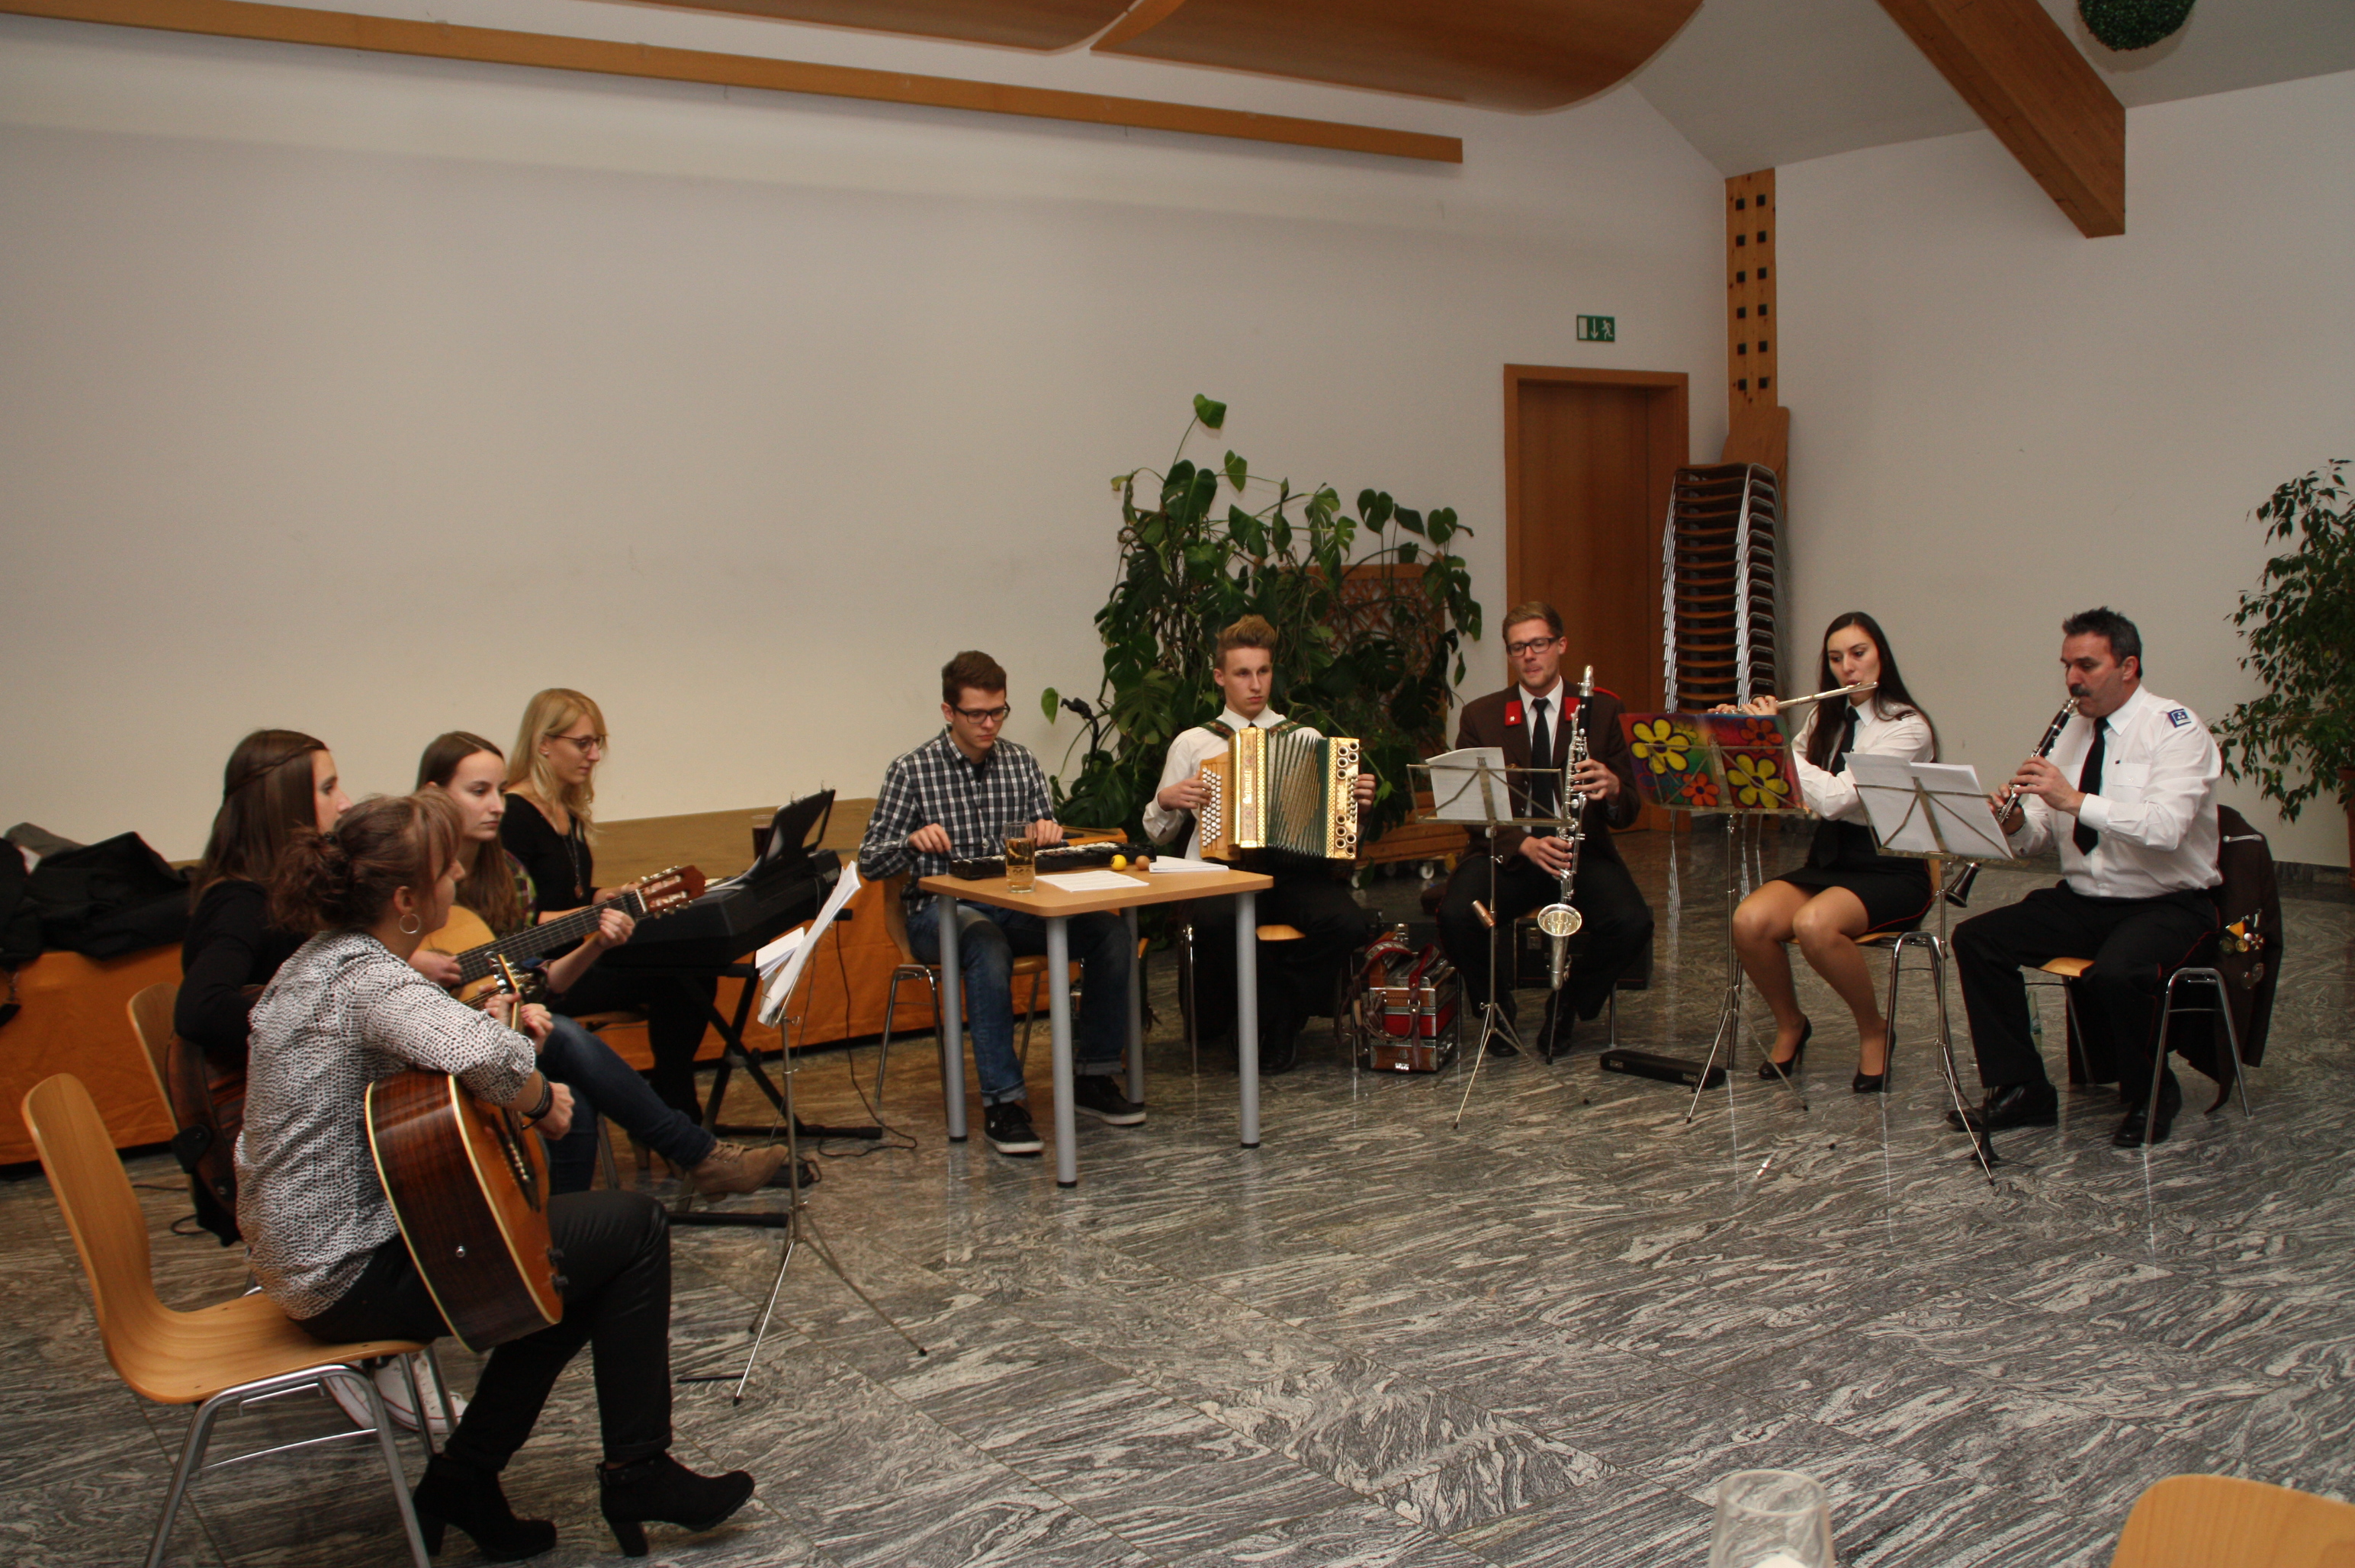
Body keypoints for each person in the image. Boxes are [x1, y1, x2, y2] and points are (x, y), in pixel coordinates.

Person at [239, 791, 755, 1559]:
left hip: (300, 1258)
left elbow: (440, 1049)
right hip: (347, 1273)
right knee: (635, 1228)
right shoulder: (369, 979)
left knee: (568, 1266)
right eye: (446, 870)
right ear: (407, 900)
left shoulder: (318, 959)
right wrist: (545, 1098)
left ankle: (470, 1479)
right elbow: (490, 1058)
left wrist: (501, 1027)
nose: (458, 878)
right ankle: (634, 1469)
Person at [416, 732, 790, 1197]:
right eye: (479, 792)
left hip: (497, 1022)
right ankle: (698, 1153)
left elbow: (533, 978)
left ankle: (569, 1222)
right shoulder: (399, 870)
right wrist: (412, 962)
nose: (497, 806)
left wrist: (595, 944)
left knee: (573, 1089)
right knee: (564, 1036)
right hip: (425, 1043)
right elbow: (354, 956)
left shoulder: (506, 873)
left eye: (499, 790)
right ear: (434, 794)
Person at [1950, 608, 2222, 1148]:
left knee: (2119, 972)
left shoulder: (2176, 729)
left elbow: (2166, 828)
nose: (2073, 679)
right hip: (2086, 898)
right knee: (1978, 940)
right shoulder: (2072, 732)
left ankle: (2152, 1092)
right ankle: (2024, 1088)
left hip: (2168, 903)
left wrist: (2073, 799)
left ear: (2128, 667)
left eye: (2087, 665)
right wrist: (2014, 823)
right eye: (2067, 666)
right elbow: (2041, 835)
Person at [858, 650, 1142, 1157]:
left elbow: (1046, 841)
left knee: (1109, 933)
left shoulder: (1020, 762)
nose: (989, 724)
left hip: (1016, 906)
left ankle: (1094, 1077)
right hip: (935, 915)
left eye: (998, 712)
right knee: (985, 944)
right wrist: (910, 842)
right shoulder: (911, 770)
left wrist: (1048, 834)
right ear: (949, 712)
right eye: (976, 715)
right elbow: (869, 861)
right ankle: (1004, 1103)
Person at [1141, 614, 1380, 1073]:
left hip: (1293, 872)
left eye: (1264, 671)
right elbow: (1158, 833)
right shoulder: (1194, 743)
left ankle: (1275, 1016)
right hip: (1222, 873)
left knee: (1348, 925)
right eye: (1243, 673)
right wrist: (1165, 800)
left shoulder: (1305, 739)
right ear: (1220, 677)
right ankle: (1276, 1020)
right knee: (1214, 922)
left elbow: (1336, 837)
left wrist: (1359, 808)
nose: (1255, 684)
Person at [1719, 612, 1938, 1093]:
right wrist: (1744, 739)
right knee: (1749, 922)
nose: (1847, 668)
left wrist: (1772, 739)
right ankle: (1792, 1023)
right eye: (1836, 659)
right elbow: (1787, 786)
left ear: (1881, 656)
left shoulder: (1907, 727)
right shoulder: (1826, 718)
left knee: (1814, 924)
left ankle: (1874, 1029)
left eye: (1858, 654)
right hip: (1832, 860)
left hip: (1892, 867)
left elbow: (1838, 799)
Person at [1434, 601, 1653, 1057]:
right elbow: (1473, 812)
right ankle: (1496, 1011)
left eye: (1539, 644)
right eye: (1518, 648)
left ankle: (1568, 1005)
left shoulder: (1603, 710)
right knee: (1456, 914)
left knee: (1632, 923)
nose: (1529, 656)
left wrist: (1613, 788)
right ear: (1509, 654)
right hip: (1510, 854)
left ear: (1561, 645)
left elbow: (1629, 808)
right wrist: (1525, 844)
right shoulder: (1482, 716)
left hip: (1580, 854)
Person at [499, 689, 718, 1126]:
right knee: (679, 978)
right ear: (544, 743)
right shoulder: (511, 816)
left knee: (692, 968)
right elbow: (513, 921)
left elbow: (565, 894)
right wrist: (593, 918)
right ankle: (676, 1116)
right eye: (583, 743)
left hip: (576, 958)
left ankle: (671, 1104)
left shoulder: (566, 808)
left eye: (597, 743)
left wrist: (605, 895)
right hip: (538, 977)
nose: (595, 755)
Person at [176, 730, 350, 1073]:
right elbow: (200, 1009)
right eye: (328, 788)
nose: (345, 803)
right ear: (286, 804)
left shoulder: (287, 893)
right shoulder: (240, 905)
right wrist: (327, 1024)